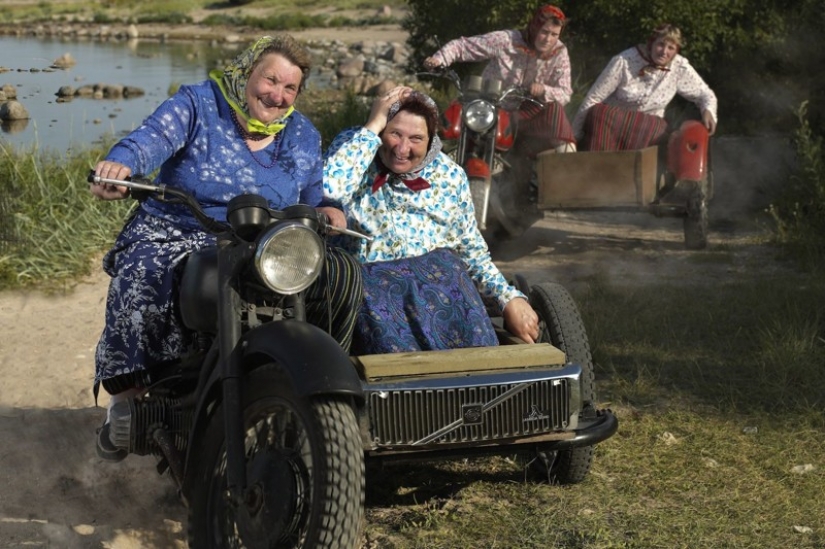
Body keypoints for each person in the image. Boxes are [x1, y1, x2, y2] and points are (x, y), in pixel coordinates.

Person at [89, 35, 363, 458]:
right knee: (142, 274)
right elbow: (149, 139)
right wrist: (122, 163)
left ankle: (317, 393)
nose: (277, 95)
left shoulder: (303, 135)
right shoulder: (198, 103)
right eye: (270, 79)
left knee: (337, 273)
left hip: (264, 240)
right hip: (179, 226)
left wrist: (329, 212)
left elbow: (312, 197)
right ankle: (129, 399)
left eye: (290, 88)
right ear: (247, 71)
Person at [323, 86, 540, 354]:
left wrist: (509, 300)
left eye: (416, 138)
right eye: (394, 134)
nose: (402, 149)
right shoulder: (356, 149)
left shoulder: (450, 176)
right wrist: (374, 124)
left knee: (474, 343)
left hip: (438, 282)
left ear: (431, 140)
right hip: (373, 286)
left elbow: (471, 251)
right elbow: (328, 189)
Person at [423, 4, 576, 157]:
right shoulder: (506, 40)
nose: (548, 39)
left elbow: (565, 93)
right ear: (535, 27)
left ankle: (566, 166)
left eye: (554, 35)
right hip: (487, 108)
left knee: (555, 110)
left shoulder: (560, 53)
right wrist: (439, 60)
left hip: (524, 116)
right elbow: (462, 46)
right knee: (445, 127)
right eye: (544, 32)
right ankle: (426, 165)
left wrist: (544, 90)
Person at [572, 24, 718, 151]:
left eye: (671, 48)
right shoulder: (624, 61)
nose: (664, 52)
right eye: (660, 44)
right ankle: (598, 169)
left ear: (676, 51)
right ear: (651, 43)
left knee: (658, 128)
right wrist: (575, 136)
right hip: (613, 123)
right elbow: (594, 98)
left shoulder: (679, 67)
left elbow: (706, 95)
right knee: (599, 113)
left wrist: (708, 110)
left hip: (646, 129)